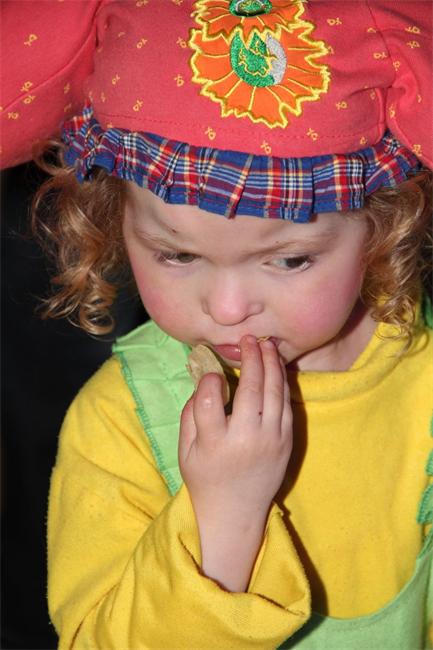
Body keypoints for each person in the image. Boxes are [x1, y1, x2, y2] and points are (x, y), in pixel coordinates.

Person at [1, 1, 432, 648]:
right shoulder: (121, 421)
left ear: (385, 227)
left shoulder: (421, 376)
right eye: (177, 255)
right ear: (113, 223)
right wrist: (226, 515)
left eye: (289, 259)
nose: (227, 309)